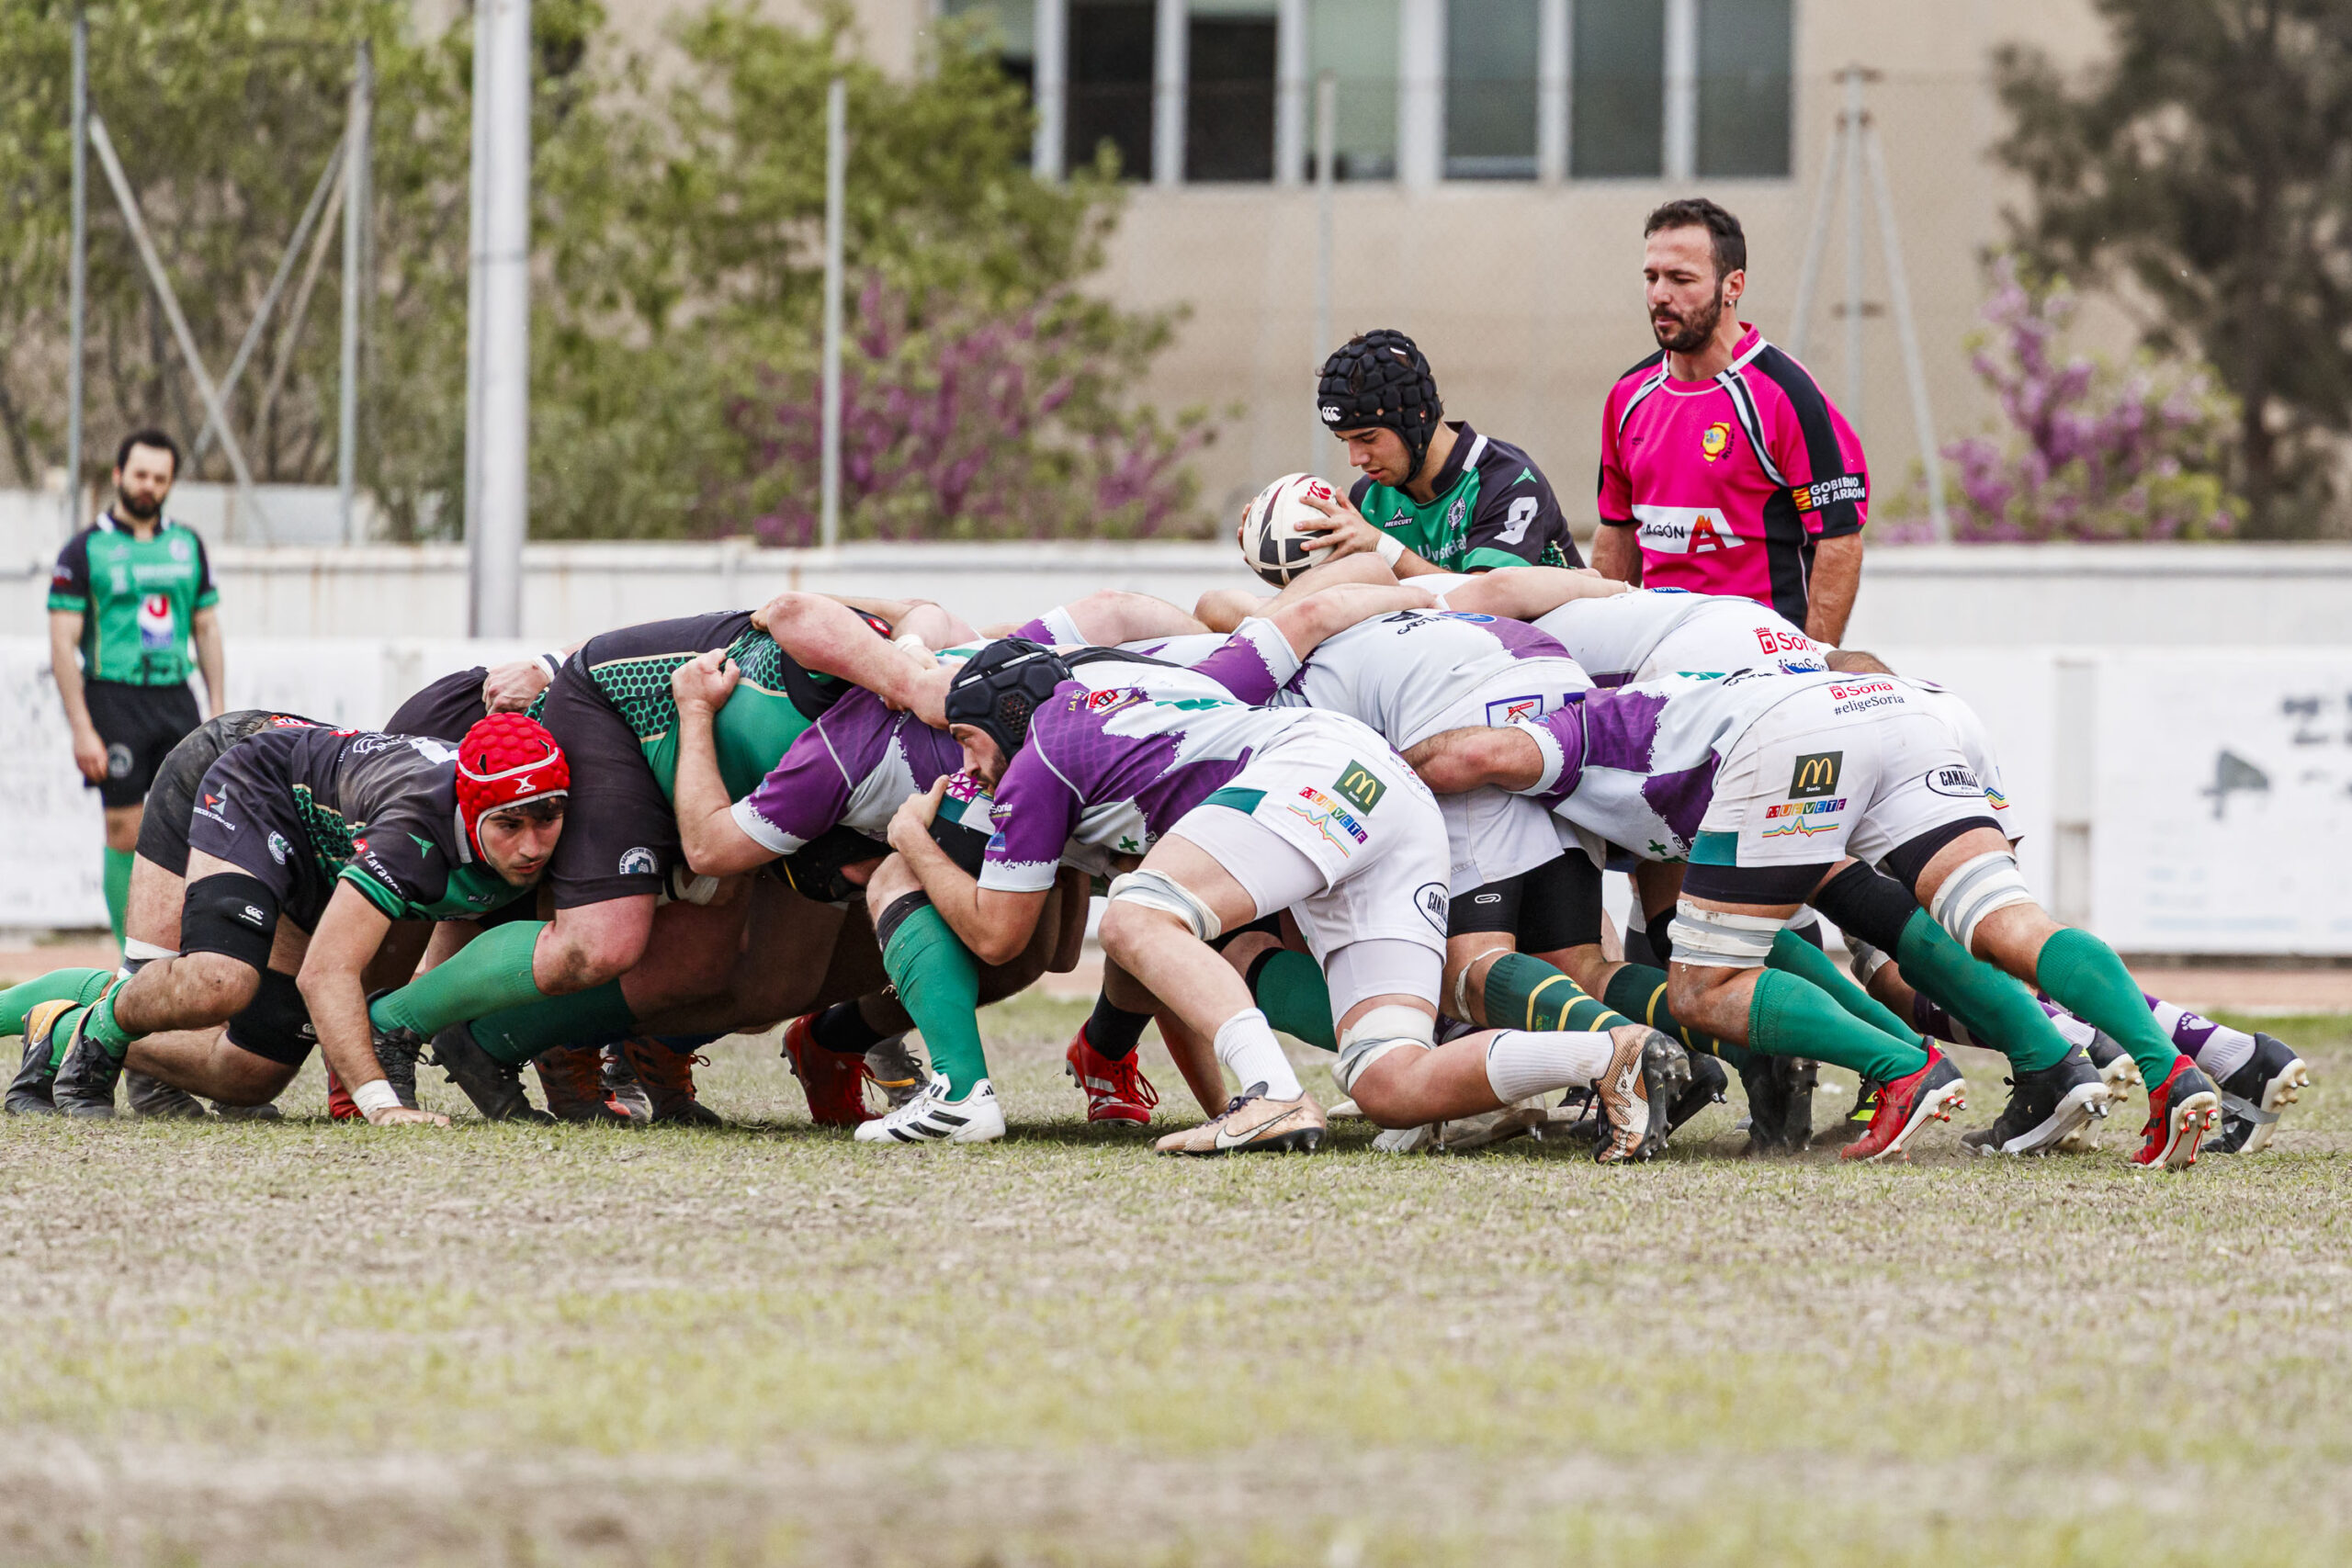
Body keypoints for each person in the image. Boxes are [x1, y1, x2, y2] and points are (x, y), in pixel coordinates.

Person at [877, 615, 1690, 1160]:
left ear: (1008, 717)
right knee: (1386, 1079)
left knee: (1138, 913)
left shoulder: (1038, 755)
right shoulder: (1124, 690)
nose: (968, 765)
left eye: (967, 739)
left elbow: (997, 936)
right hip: (1383, 788)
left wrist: (911, 835)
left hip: (1315, 773)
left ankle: (1272, 1093)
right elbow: (1172, 969)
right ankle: (1608, 1053)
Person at [9, 715, 568, 1126]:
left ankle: (59, 1024)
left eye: (546, 820)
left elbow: (389, 967)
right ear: (468, 812)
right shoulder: (412, 833)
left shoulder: (547, 816)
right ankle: (96, 1021)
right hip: (248, 780)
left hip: (317, 837)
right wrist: (378, 1103)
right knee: (209, 982)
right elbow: (327, 974)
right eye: (509, 825)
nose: (531, 846)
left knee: (252, 1074)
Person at [1590, 199, 1867, 645]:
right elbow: (1616, 527)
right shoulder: (1628, 395)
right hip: (1657, 656)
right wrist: (1600, 646)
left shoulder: (1785, 395)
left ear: (1732, 285)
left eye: (1681, 279)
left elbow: (1840, 540)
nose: (1661, 294)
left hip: (1760, 662)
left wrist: (1813, 666)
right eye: (1652, 277)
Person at [48, 430, 224, 949]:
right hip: (114, 698)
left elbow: (208, 629)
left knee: (201, 827)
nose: (149, 486)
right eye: (140, 474)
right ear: (119, 475)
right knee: (125, 829)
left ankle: (190, 946)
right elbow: (62, 643)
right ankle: (132, 958)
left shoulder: (187, 545)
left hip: (176, 695)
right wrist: (82, 728)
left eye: (160, 478)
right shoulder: (84, 550)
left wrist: (217, 710)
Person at [1300, 330, 1582, 577]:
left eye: (1368, 437)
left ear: (1418, 417)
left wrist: (1382, 547)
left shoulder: (1508, 481)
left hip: (1553, 636)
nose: (1355, 459)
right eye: (1344, 441)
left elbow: (1488, 607)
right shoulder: (1369, 498)